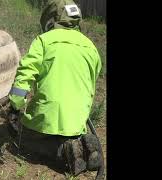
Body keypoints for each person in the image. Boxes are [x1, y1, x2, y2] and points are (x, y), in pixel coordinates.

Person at [7, 0, 103, 178]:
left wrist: (15, 106)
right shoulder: (90, 46)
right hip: (77, 121)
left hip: (46, 117)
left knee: (22, 141)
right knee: (66, 132)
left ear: (50, 20)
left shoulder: (44, 41)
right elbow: (91, 83)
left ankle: (63, 151)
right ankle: (78, 144)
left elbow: (25, 74)